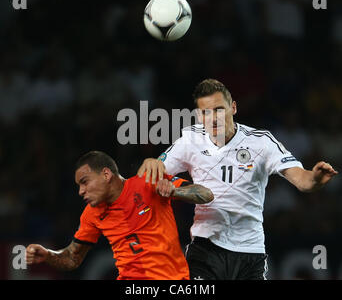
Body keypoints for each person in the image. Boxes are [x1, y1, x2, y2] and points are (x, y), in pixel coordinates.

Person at [137, 78, 338, 280]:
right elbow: (150, 175)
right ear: (199, 115)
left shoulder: (261, 142)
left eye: (219, 109)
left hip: (250, 252)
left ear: (233, 107)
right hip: (206, 249)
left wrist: (315, 178)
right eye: (206, 112)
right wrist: (154, 167)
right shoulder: (190, 140)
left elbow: (303, 181)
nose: (213, 118)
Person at [26, 150, 213, 280]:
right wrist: (48, 255)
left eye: (84, 182)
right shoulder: (91, 214)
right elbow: (72, 257)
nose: (81, 191)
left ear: (106, 174)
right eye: (79, 186)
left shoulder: (147, 182)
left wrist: (174, 191)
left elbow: (206, 194)